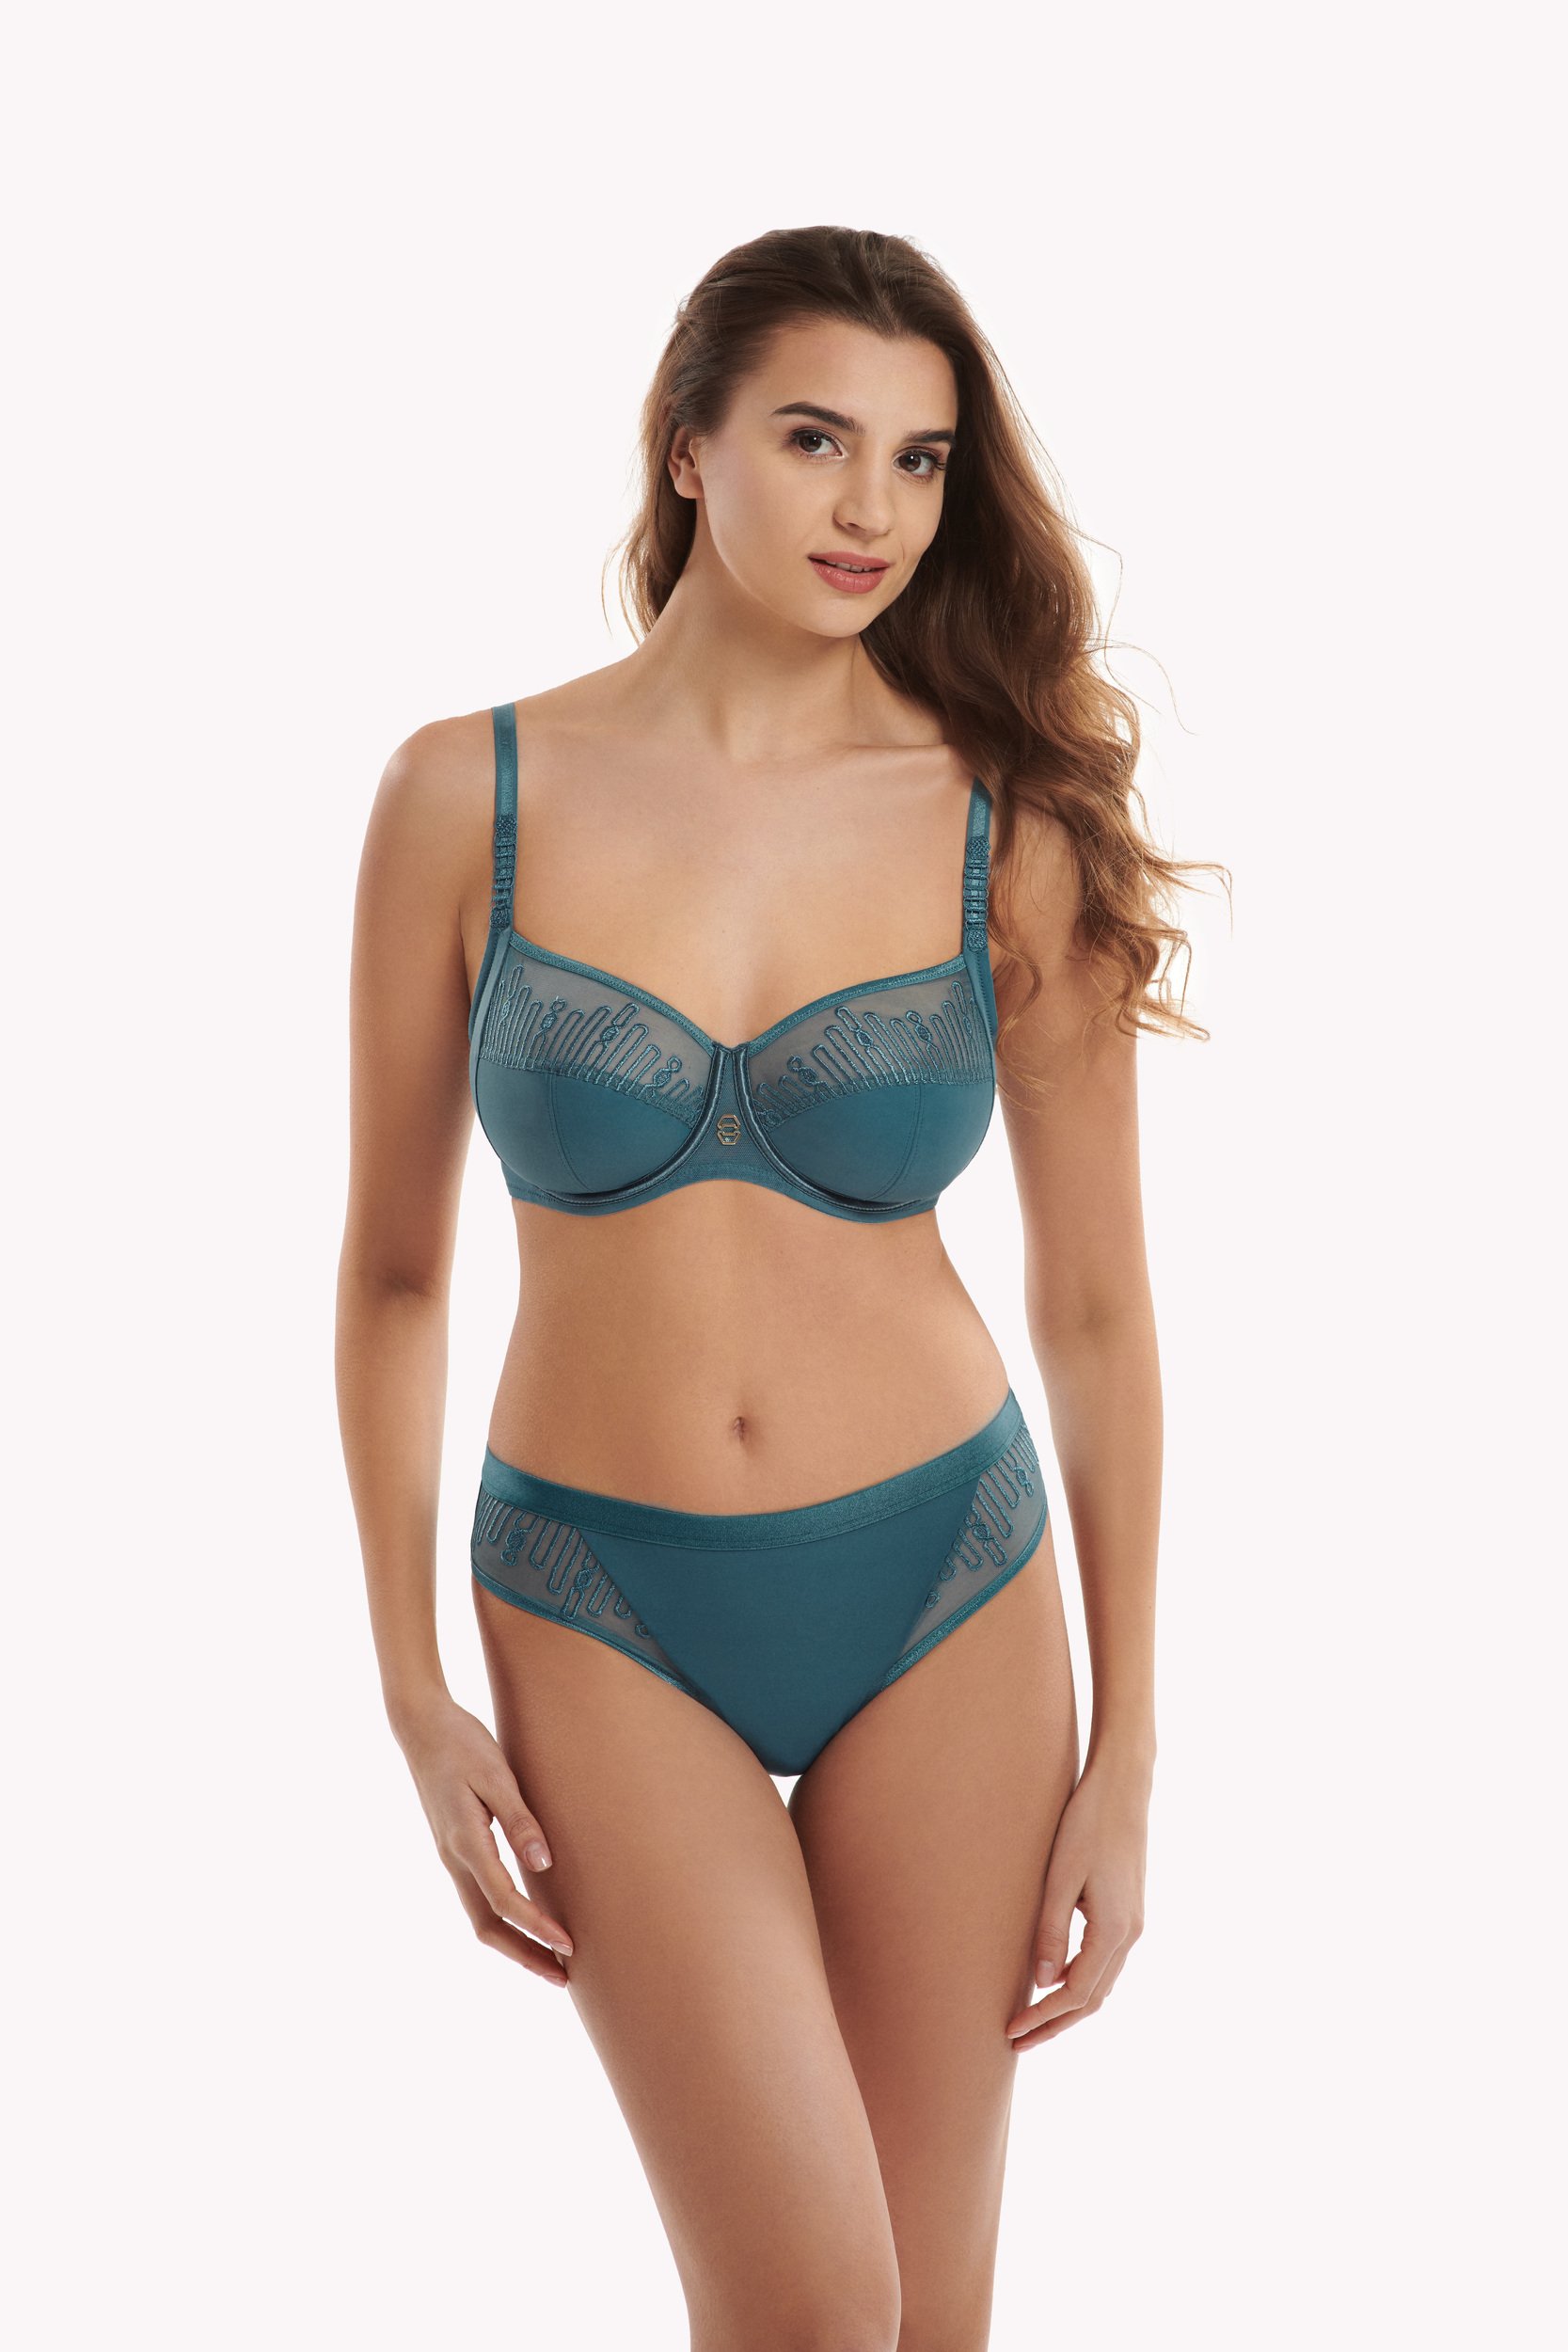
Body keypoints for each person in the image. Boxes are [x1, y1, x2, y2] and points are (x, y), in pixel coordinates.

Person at [337, 224, 1219, 2351]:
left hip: (948, 1581)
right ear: (689, 444)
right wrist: (409, 1687)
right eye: (817, 440)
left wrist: (1130, 1747)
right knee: (814, 2304)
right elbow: (391, 1274)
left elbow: (1099, 1309)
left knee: (929, 2317)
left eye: (921, 461)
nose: (871, 509)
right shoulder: (469, 793)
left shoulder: (1004, 822)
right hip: (598, 1596)